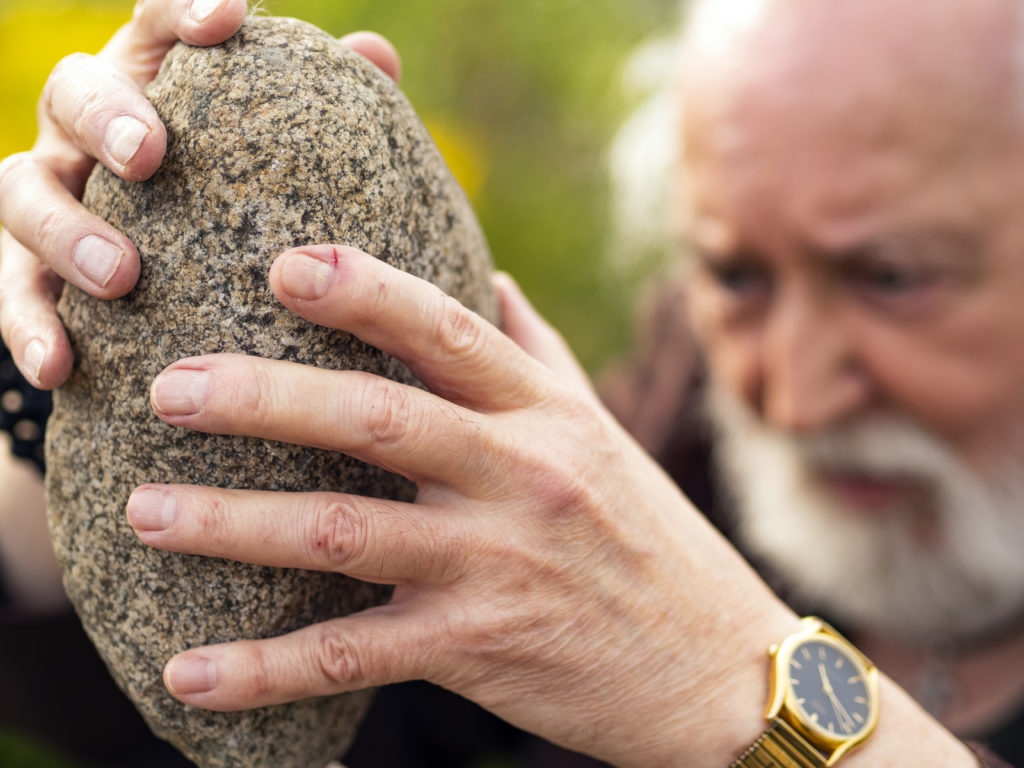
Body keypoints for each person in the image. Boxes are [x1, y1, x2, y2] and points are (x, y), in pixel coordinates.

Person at [0, 0, 1020, 766]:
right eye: (734, 274)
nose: (792, 396)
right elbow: (275, 703)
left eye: (894, 279)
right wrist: (72, 370)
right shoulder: (689, 434)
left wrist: (727, 677)